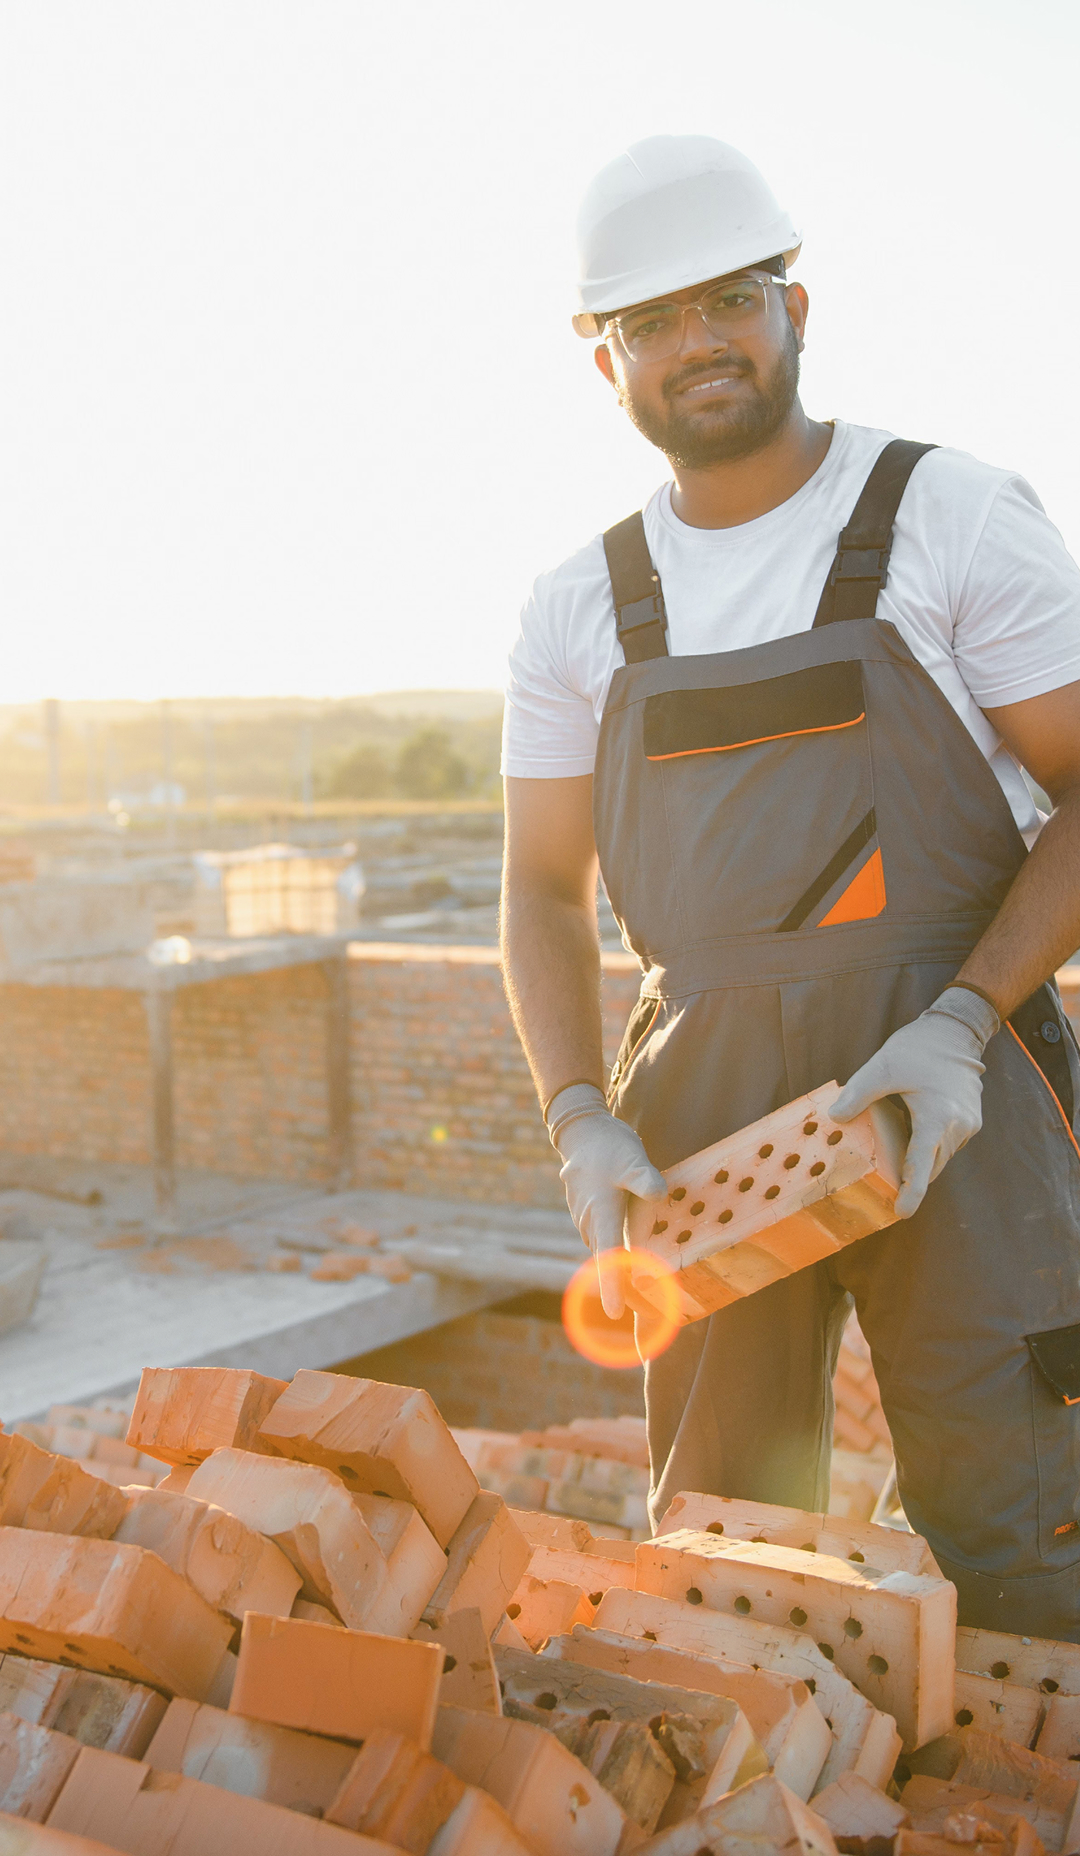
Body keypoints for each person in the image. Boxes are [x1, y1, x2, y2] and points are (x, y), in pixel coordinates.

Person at [500, 134, 1080, 1637]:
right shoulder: (579, 607)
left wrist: (959, 1024)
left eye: (729, 300)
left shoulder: (951, 514)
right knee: (734, 1558)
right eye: (652, 321)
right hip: (705, 1120)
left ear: (796, 308)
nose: (697, 343)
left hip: (960, 1087)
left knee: (1032, 1531)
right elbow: (543, 891)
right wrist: (578, 1116)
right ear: (603, 358)